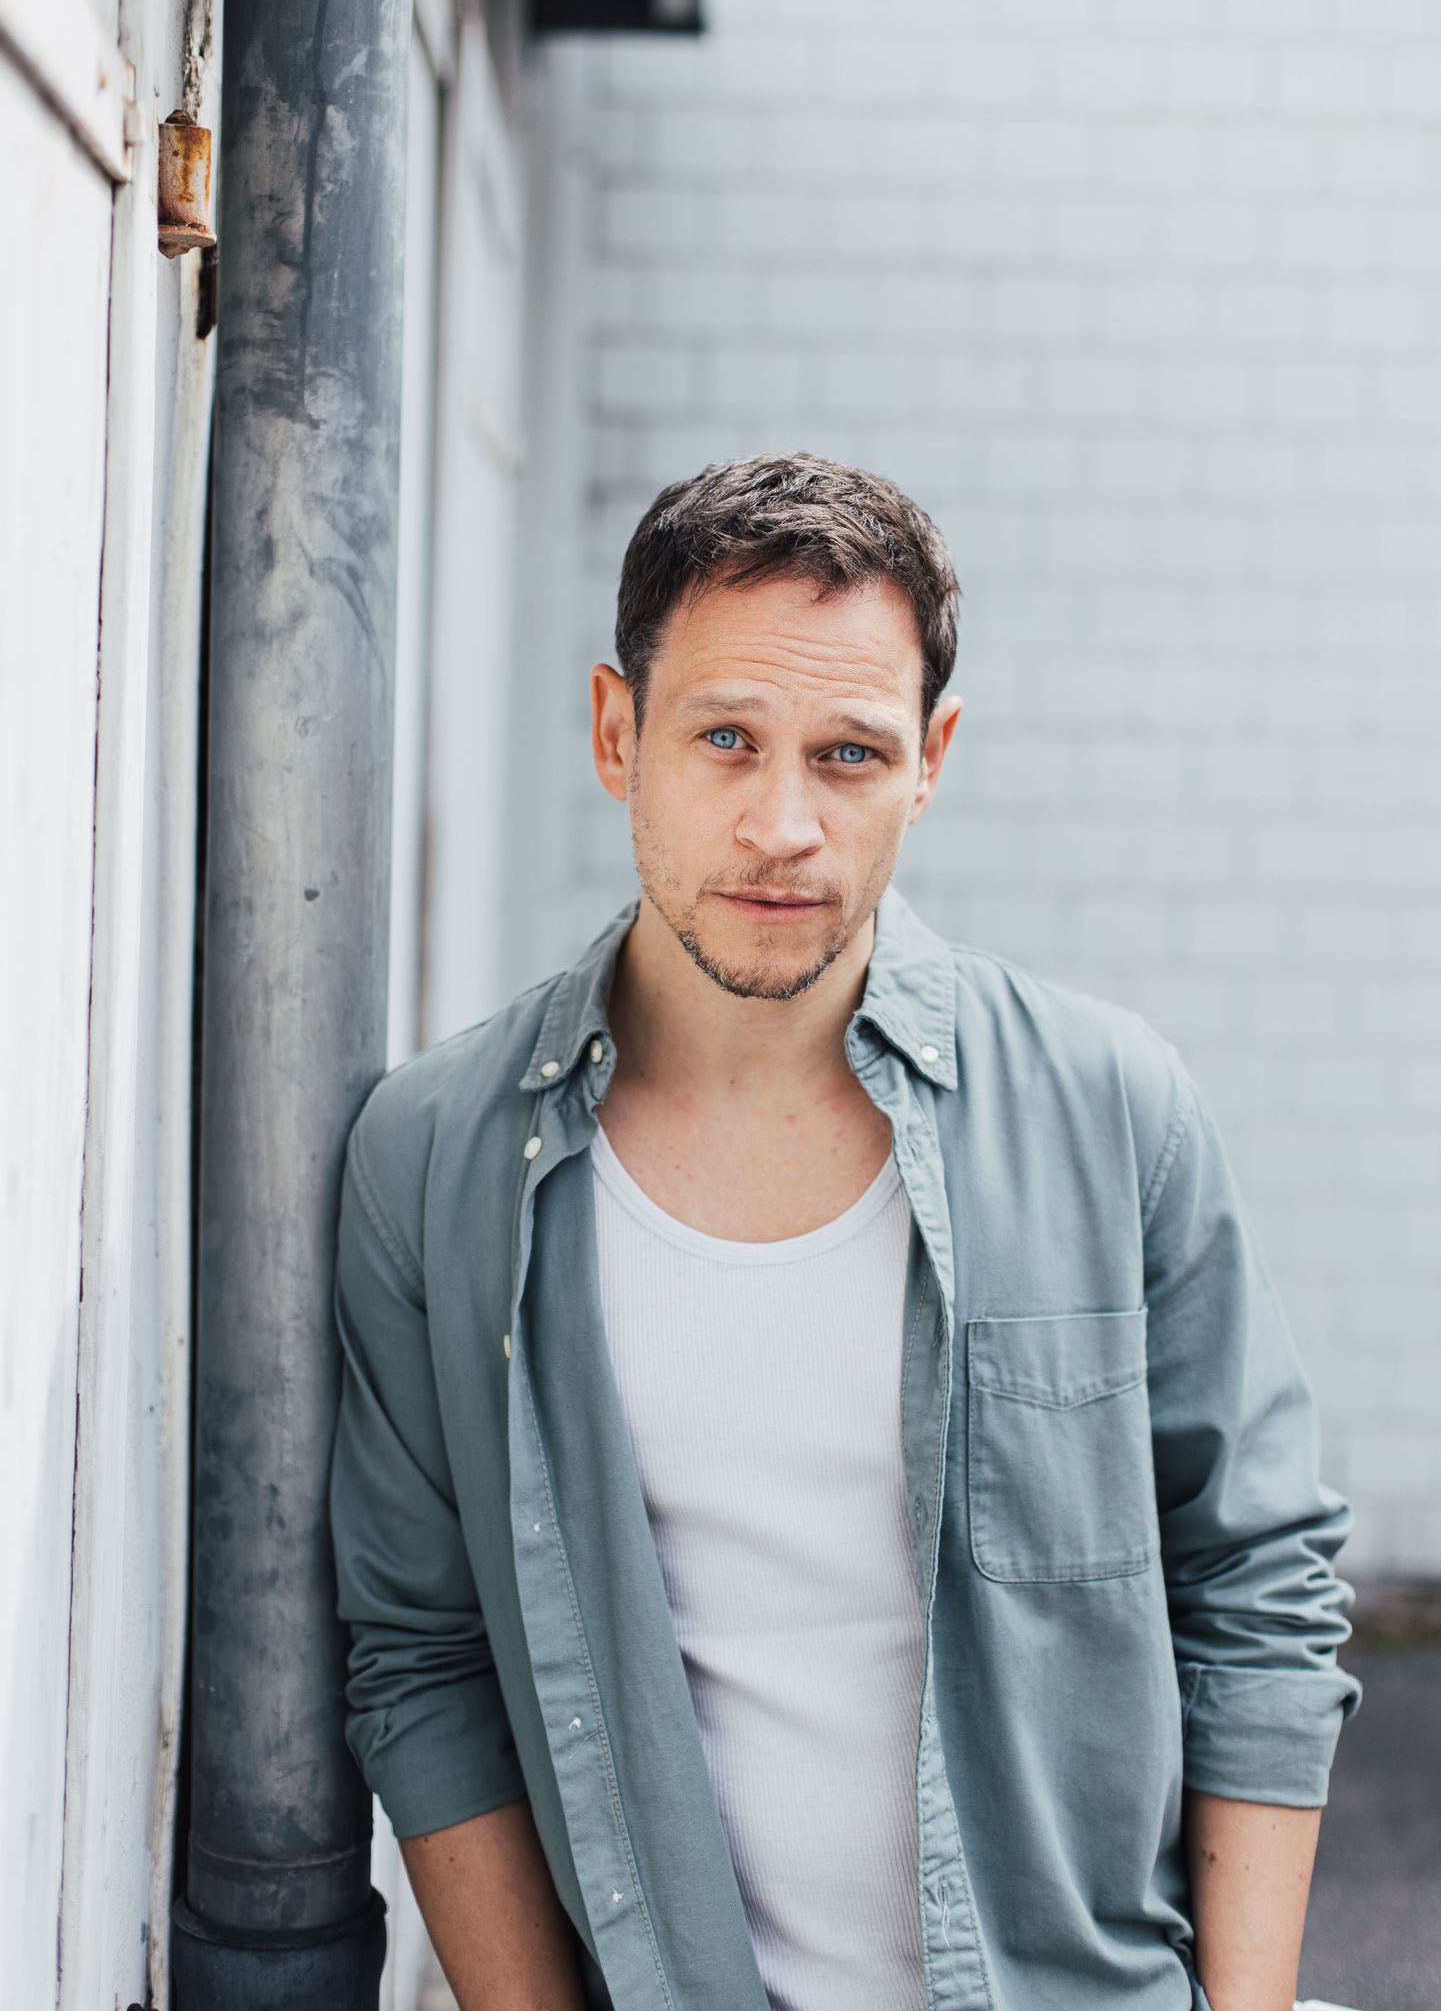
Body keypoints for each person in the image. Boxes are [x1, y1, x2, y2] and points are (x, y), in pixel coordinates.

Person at [329, 452, 1361, 2011]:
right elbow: (423, 1654)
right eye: (724, 739)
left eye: (849, 754)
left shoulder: (1106, 1109)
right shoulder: (438, 1158)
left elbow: (1255, 1580)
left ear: (929, 760)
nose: (783, 824)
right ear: (616, 734)